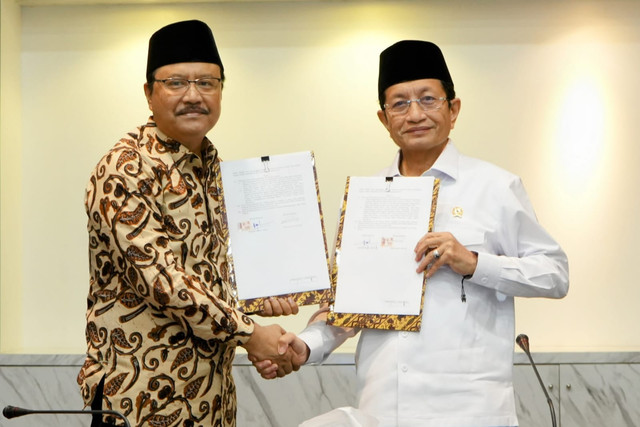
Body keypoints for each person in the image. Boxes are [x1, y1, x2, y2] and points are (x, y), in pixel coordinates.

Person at [254, 40, 569, 427]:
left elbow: (555, 274)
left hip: (471, 411)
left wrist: (473, 262)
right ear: (384, 120)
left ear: (453, 109)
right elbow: (349, 307)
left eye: (428, 99)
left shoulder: (495, 187)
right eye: (399, 103)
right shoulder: (363, 199)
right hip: (382, 408)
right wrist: (304, 346)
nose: (415, 114)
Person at [77, 20, 300, 427]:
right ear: (149, 92)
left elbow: (208, 274)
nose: (194, 96)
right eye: (176, 82)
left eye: (207, 83)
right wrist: (251, 334)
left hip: (210, 401)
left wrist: (258, 296)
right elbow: (162, 279)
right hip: (140, 399)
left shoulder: (211, 166)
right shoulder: (126, 167)